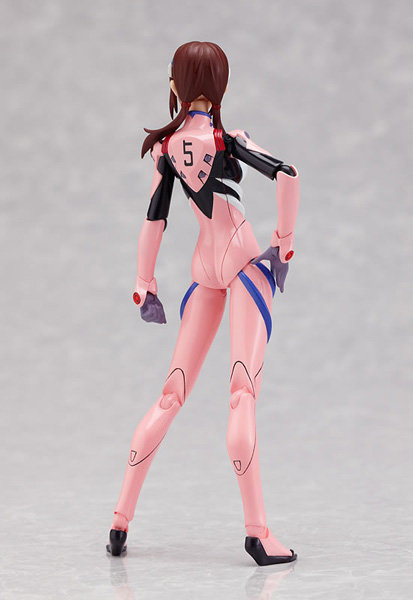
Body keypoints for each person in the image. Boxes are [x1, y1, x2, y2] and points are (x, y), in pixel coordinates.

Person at [107, 41, 299, 566]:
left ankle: (120, 521)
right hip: (243, 262)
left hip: (202, 267)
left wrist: (144, 281)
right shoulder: (228, 140)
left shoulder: (167, 149)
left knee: (171, 394)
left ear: (175, 85)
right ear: (220, 87)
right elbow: (287, 175)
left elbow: (154, 220)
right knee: (241, 393)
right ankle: (257, 532)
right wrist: (283, 245)